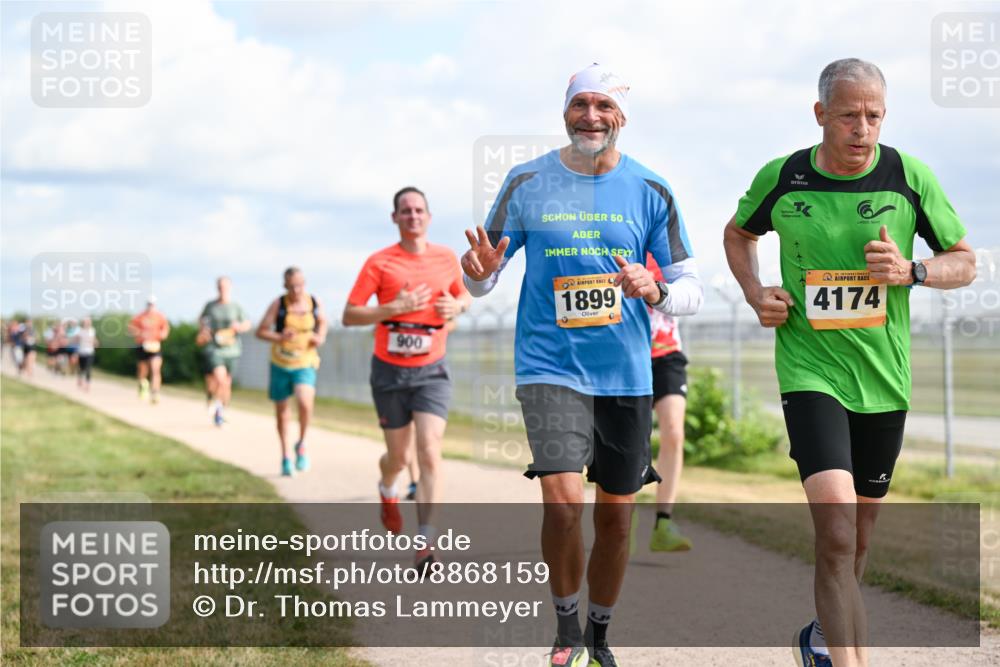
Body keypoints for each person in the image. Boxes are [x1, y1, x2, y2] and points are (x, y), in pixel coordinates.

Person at [723, 58, 976, 667]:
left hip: (884, 380)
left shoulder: (908, 176)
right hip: (810, 371)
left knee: (857, 544)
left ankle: (821, 639)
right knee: (835, 535)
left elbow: (964, 260)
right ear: (820, 116)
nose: (863, 129)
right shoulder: (783, 178)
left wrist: (914, 270)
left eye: (874, 116)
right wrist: (757, 292)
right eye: (849, 116)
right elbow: (738, 234)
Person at [461, 64, 702, 667]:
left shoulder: (652, 189)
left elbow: (689, 287)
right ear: (564, 111)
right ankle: (566, 628)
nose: (590, 116)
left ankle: (599, 635)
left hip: (625, 373)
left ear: (622, 115)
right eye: (580, 105)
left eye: (603, 105)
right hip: (549, 365)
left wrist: (655, 287)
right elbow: (482, 277)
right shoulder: (526, 181)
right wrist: (479, 272)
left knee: (616, 520)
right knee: (563, 504)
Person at [343, 186, 471, 571]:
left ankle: (426, 543)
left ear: (429, 217)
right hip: (390, 370)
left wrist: (457, 304)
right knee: (398, 457)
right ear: (395, 218)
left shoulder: (446, 258)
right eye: (405, 211)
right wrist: (392, 308)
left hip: (432, 369)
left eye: (419, 210)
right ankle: (387, 489)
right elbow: (350, 315)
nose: (413, 216)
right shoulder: (380, 263)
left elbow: (464, 297)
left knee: (430, 448)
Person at [256, 267, 328, 477]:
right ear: (285, 286)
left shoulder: (314, 302)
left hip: (305, 361)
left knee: (305, 401)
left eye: (300, 284)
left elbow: (323, 322)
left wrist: (320, 337)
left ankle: (302, 443)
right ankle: (286, 456)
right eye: (292, 286)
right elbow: (260, 331)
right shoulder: (278, 305)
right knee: (282, 413)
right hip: (280, 362)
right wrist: (279, 336)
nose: (297, 289)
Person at [646, 254, 693, 553]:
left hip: (667, 355)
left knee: (674, 433)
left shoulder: (668, 253)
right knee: (630, 443)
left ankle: (663, 522)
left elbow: (690, 291)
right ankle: (620, 518)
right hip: (624, 356)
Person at [196, 277, 252, 427]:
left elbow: (247, 323)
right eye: (220, 286)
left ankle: (222, 409)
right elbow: (202, 321)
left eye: (225, 286)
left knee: (226, 383)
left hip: (232, 350)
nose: (222, 289)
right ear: (217, 287)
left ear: (230, 287)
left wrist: (239, 327)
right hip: (215, 349)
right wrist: (204, 331)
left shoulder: (236, 307)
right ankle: (218, 411)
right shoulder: (210, 306)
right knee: (219, 379)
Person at [128, 297, 170, 404]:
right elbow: (131, 329)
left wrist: (163, 334)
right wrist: (139, 333)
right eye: (149, 304)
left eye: (153, 304)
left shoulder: (160, 316)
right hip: (142, 346)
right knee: (143, 371)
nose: (151, 306)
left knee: (155, 369)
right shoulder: (140, 316)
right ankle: (143, 386)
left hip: (155, 346)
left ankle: (155, 393)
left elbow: (165, 329)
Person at [75, 316, 98, 391]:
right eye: (86, 322)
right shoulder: (80, 331)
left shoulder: (92, 330)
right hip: (81, 352)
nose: (87, 323)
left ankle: (87, 385)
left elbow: (94, 339)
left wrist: (95, 343)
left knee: (88, 368)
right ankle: (80, 378)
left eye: (89, 322)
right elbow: (76, 341)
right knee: (81, 368)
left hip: (90, 352)